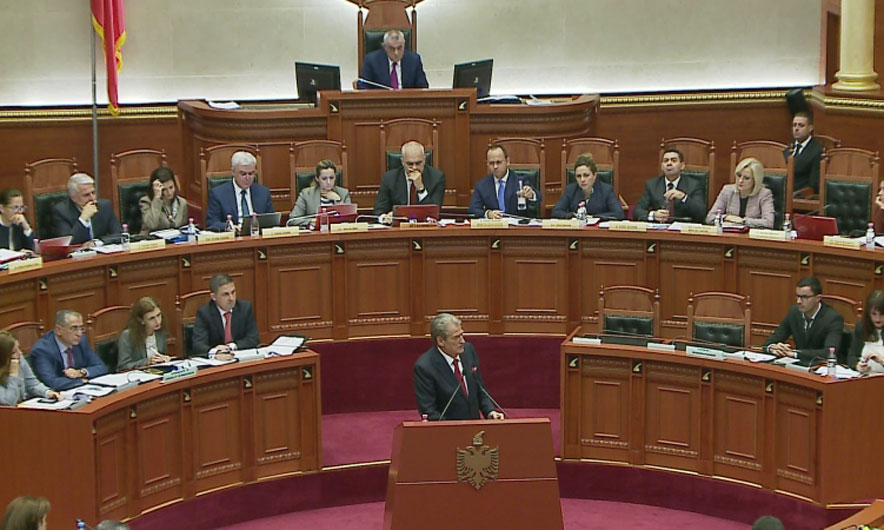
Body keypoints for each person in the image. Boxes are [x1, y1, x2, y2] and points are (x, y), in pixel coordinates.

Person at [414, 313, 505, 421]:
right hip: (448, 429)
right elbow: (429, 411)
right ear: (441, 341)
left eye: (462, 335)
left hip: (475, 427)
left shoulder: (468, 351)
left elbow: (480, 389)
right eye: (456, 337)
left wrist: (490, 411)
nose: (462, 341)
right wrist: (456, 428)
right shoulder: (425, 367)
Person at [763, 277, 844, 363]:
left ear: (818, 298)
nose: (799, 301)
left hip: (820, 366)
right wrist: (773, 347)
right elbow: (771, 340)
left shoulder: (833, 318)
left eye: (804, 297)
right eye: (798, 296)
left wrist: (795, 353)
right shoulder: (794, 312)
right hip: (797, 365)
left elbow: (829, 352)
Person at [28, 310, 108, 391]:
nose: (79, 334)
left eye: (81, 328)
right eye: (73, 328)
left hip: (80, 390)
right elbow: (51, 382)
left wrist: (80, 372)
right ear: (58, 330)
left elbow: (101, 367)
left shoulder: (81, 341)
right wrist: (81, 381)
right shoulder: (42, 350)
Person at [373, 141, 445, 223]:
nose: (414, 168)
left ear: (424, 160)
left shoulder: (437, 178)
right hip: (399, 227)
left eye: (418, 163)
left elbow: (433, 214)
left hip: (424, 227)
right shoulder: (389, 178)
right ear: (402, 161)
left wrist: (421, 188)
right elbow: (378, 211)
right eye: (410, 164)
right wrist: (384, 218)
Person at [192, 273, 259, 360]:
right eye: (226, 294)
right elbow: (198, 345)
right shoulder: (204, 313)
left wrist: (230, 347)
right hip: (216, 363)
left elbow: (253, 338)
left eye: (233, 292)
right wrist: (215, 352)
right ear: (213, 297)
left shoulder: (245, 308)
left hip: (240, 359)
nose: (231, 298)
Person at [205, 151, 274, 232]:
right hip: (232, 237)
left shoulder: (263, 193)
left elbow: (272, 220)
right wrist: (228, 227)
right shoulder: (218, 194)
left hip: (257, 236)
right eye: (243, 174)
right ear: (233, 172)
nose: (247, 178)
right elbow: (211, 223)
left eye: (251, 174)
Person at [633, 148, 706, 223]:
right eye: (666, 161)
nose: (669, 163)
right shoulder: (652, 185)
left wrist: (684, 197)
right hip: (660, 228)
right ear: (662, 166)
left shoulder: (694, 184)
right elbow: (637, 211)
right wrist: (654, 215)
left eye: (673, 160)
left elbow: (701, 213)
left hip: (683, 227)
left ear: (682, 166)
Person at [468, 144, 541, 219]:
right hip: (494, 225)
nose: (495, 166)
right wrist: (488, 214)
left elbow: (538, 197)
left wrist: (531, 195)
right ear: (487, 164)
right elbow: (473, 210)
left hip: (516, 224)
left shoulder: (520, 180)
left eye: (498, 162)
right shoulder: (482, 185)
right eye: (491, 163)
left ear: (507, 161)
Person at [53, 173, 122, 246]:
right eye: (86, 195)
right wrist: (83, 219)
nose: (92, 198)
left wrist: (96, 243)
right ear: (73, 197)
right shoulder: (62, 211)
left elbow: (119, 234)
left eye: (93, 193)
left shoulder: (104, 206)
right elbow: (67, 243)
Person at [705, 157, 775, 228]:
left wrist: (743, 221)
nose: (740, 180)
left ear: (755, 181)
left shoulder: (764, 194)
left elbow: (769, 222)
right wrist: (727, 217)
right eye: (739, 175)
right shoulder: (727, 190)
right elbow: (710, 218)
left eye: (746, 178)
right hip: (729, 233)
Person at [551, 153, 623, 219]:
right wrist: (572, 215)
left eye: (586, 175)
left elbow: (619, 214)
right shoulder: (570, 190)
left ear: (594, 175)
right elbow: (556, 212)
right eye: (578, 176)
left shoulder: (606, 190)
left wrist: (594, 217)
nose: (582, 180)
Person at [0, 331, 61, 406]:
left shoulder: (19, 359)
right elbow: (9, 402)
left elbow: (32, 384)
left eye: (18, 348)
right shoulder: (15, 362)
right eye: (13, 352)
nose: (20, 353)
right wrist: (13, 374)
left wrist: (47, 392)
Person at [288, 160, 352, 227]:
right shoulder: (306, 194)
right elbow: (293, 219)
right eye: (324, 179)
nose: (328, 182)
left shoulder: (343, 193)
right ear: (317, 178)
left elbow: (349, 218)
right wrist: (314, 221)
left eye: (331, 178)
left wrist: (338, 200)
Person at [358, 29, 428, 90]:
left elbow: (423, 87)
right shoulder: (371, 61)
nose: (396, 53)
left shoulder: (414, 60)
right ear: (385, 47)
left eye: (399, 48)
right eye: (392, 48)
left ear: (404, 45)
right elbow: (363, 88)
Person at [117, 297, 172, 371]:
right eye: (151, 318)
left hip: (157, 372)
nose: (157, 321)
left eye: (158, 315)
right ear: (141, 320)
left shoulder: (160, 332)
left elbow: (161, 354)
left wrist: (164, 358)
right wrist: (147, 362)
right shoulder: (127, 336)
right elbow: (123, 366)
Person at [783, 110, 823, 196]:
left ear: (810, 128)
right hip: (783, 193)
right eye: (794, 125)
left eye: (801, 125)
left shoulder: (817, 151)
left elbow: (814, 185)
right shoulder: (787, 149)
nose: (796, 128)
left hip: (801, 196)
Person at [139, 167, 189, 235]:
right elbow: (151, 225)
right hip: (152, 240)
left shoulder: (182, 203)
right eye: (164, 189)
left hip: (174, 240)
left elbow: (183, 229)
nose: (169, 192)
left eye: (171, 187)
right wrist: (157, 198)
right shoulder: (146, 202)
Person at [849, 289, 884, 373]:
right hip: (865, 377)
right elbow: (852, 357)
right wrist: (858, 366)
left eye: (882, 314)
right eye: (874, 314)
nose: (877, 319)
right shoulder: (861, 327)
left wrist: (882, 361)